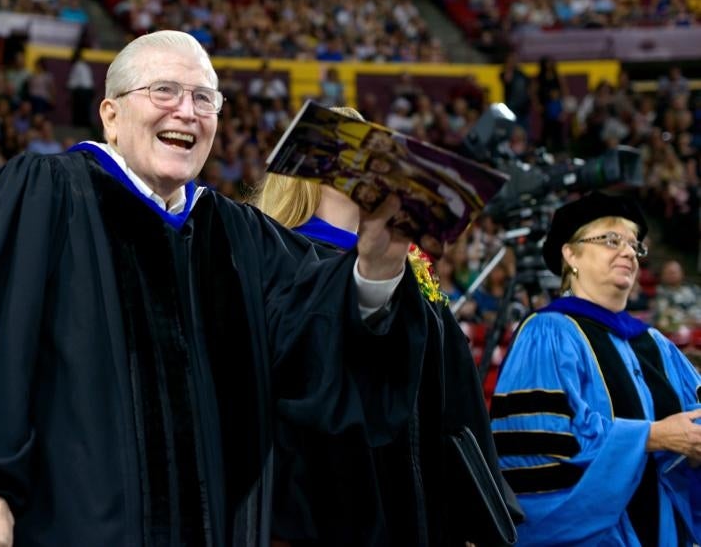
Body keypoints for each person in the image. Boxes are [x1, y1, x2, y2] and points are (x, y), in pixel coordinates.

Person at [0, 31, 423, 546]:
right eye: (165, 91)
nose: (187, 112)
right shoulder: (42, 193)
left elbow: (316, 343)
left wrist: (375, 270)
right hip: (59, 521)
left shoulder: (237, 235)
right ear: (110, 114)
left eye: (204, 99)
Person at [253, 109, 518, 546]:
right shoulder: (273, 257)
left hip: (419, 508)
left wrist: (470, 513)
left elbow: (456, 401)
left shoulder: (413, 277)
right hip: (325, 511)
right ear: (310, 169)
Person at [491, 192, 701, 546]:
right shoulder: (548, 334)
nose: (629, 252)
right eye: (611, 240)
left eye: (635, 245)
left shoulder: (657, 345)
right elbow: (538, 460)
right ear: (570, 254)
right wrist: (651, 437)